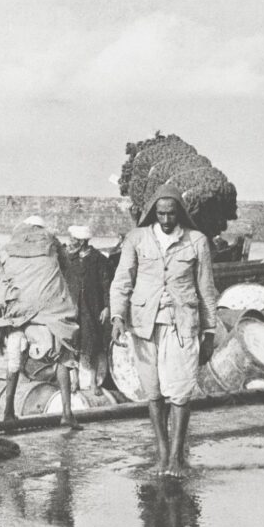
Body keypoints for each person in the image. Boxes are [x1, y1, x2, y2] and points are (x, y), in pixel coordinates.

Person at [110, 185, 218, 477]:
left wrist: (209, 332)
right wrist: (118, 316)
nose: (167, 219)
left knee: (180, 392)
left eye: (171, 213)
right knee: (154, 393)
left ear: (179, 213)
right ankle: (161, 453)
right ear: (152, 214)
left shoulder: (196, 241)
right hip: (144, 325)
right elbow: (122, 281)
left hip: (182, 325)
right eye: (161, 213)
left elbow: (206, 289)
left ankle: (176, 458)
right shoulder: (137, 239)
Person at [0, 215, 80, 428]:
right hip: (50, 312)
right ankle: (67, 413)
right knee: (62, 358)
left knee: (14, 361)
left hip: (17, 312)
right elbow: (67, 271)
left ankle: (8, 412)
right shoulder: (53, 243)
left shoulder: (6, 249)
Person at [64, 224, 111, 395]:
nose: (70, 243)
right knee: (72, 345)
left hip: (92, 308)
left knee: (93, 344)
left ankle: (93, 383)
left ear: (82, 242)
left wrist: (106, 307)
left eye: (74, 240)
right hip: (72, 308)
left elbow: (106, 284)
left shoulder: (99, 259)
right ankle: (74, 381)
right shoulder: (69, 259)